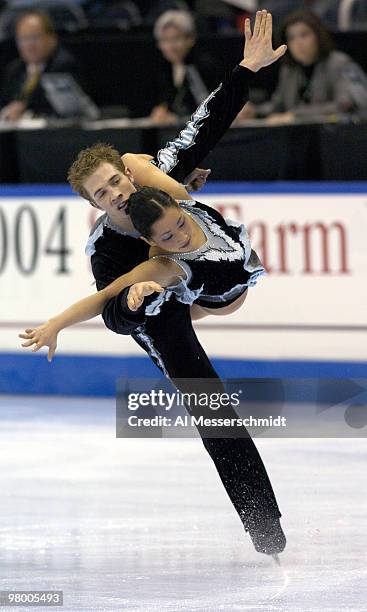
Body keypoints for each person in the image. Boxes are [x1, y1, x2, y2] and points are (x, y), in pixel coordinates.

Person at [19, 11, 287, 556]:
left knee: (199, 285)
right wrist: (134, 302)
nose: (115, 195)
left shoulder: (156, 173)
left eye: (116, 181)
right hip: (152, 303)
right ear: (93, 205)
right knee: (206, 397)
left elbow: (205, 124)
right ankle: (264, 523)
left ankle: (181, 294)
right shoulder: (106, 247)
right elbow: (110, 311)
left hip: (203, 269)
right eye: (102, 194)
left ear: (126, 171)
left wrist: (246, 69)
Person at [239, 9, 367, 124]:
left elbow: (345, 105)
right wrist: (254, 111)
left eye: (304, 35)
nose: (298, 43)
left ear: (318, 36)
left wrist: (296, 116)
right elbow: (278, 107)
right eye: (291, 38)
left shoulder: (339, 63)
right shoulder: (289, 70)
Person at [0, 10, 85, 121]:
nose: (29, 45)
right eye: (23, 39)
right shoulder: (15, 69)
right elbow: (4, 102)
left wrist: (23, 112)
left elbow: (64, 109)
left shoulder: (63, 66)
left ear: (52, 39)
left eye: (34, 37)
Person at [150, 9, 219, 124]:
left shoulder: (203, 67)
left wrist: (177, 120)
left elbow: (209, 109)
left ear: (190, 39)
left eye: (176, 39)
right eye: (165, 40)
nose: (171, 46)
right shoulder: (161, 69)